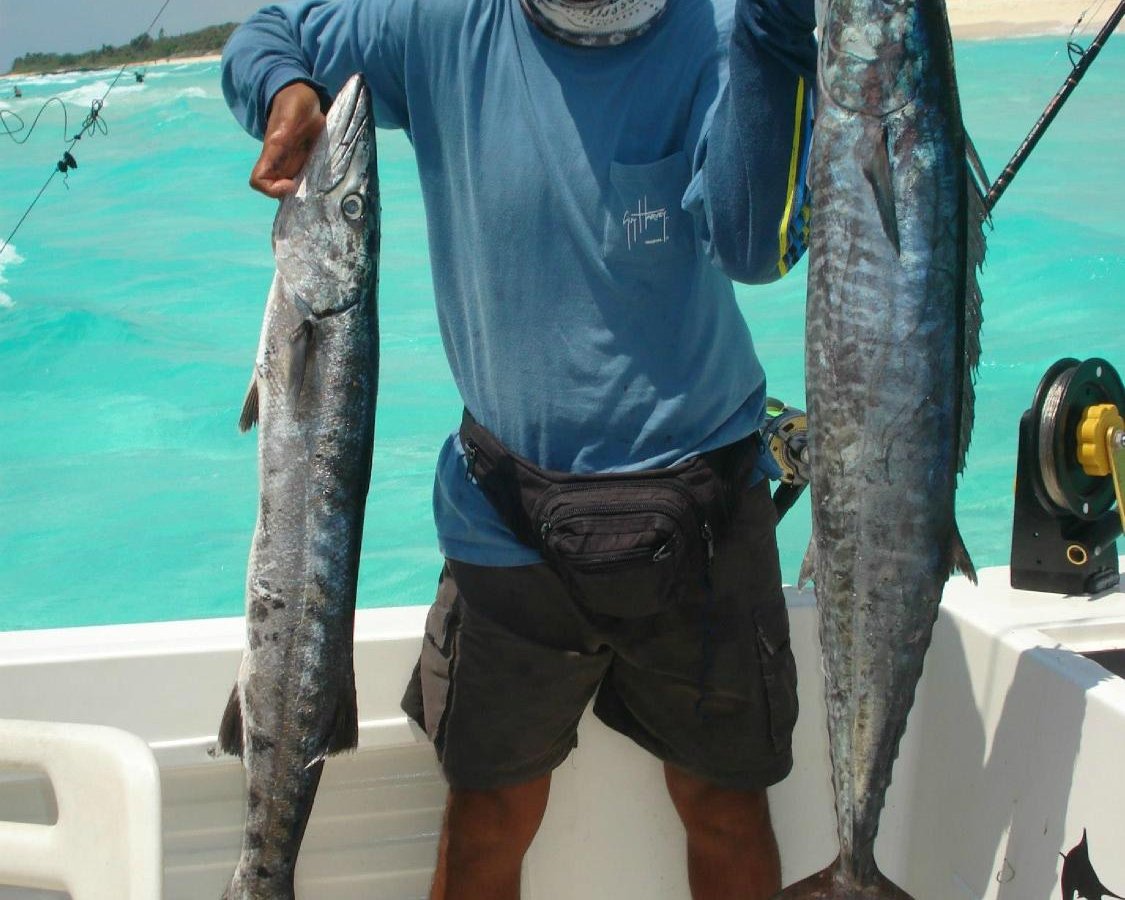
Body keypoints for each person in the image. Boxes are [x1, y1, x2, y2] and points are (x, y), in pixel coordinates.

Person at [221, 0, 815, 896]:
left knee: (725, 805)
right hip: (505, 516)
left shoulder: (727, 31)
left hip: (703, 502)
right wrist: (286, 92)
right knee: (485, 817)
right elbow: (269, 34)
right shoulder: (436, 21)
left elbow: (755, 247)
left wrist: (784, 48)